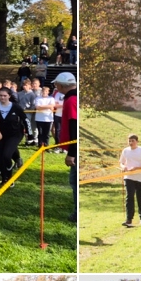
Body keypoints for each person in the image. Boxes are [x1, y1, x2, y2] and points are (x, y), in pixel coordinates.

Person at [55, 71, 79, 221]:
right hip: (74, 148)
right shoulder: (71, 98)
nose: (56, 87)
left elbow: (74, 126)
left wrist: (72, 153)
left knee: (74, 181)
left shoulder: (71, 100)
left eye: (57, 84)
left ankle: (77, 214)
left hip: (75, 150)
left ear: (62, 85)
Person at [0, 87, 26, 184]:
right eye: (0, 95)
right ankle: (5, 178)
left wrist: (29, 135)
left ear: (9, 96)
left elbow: (25, 119)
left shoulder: (15, 107)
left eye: (5, 95)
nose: (2, 97)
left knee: (6, 155)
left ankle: (9, 178)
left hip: (14, 134)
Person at [120, 134, 141, 228]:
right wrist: (123, 167)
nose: (130, 143)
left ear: (137, 141)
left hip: (140, 177)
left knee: (140, 197)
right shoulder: (125, 151)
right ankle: (129, 219)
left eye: (132, 141)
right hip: (128, 177)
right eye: (129, 141)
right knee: (129, 197)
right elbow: (121, 162)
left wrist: (136, 168)